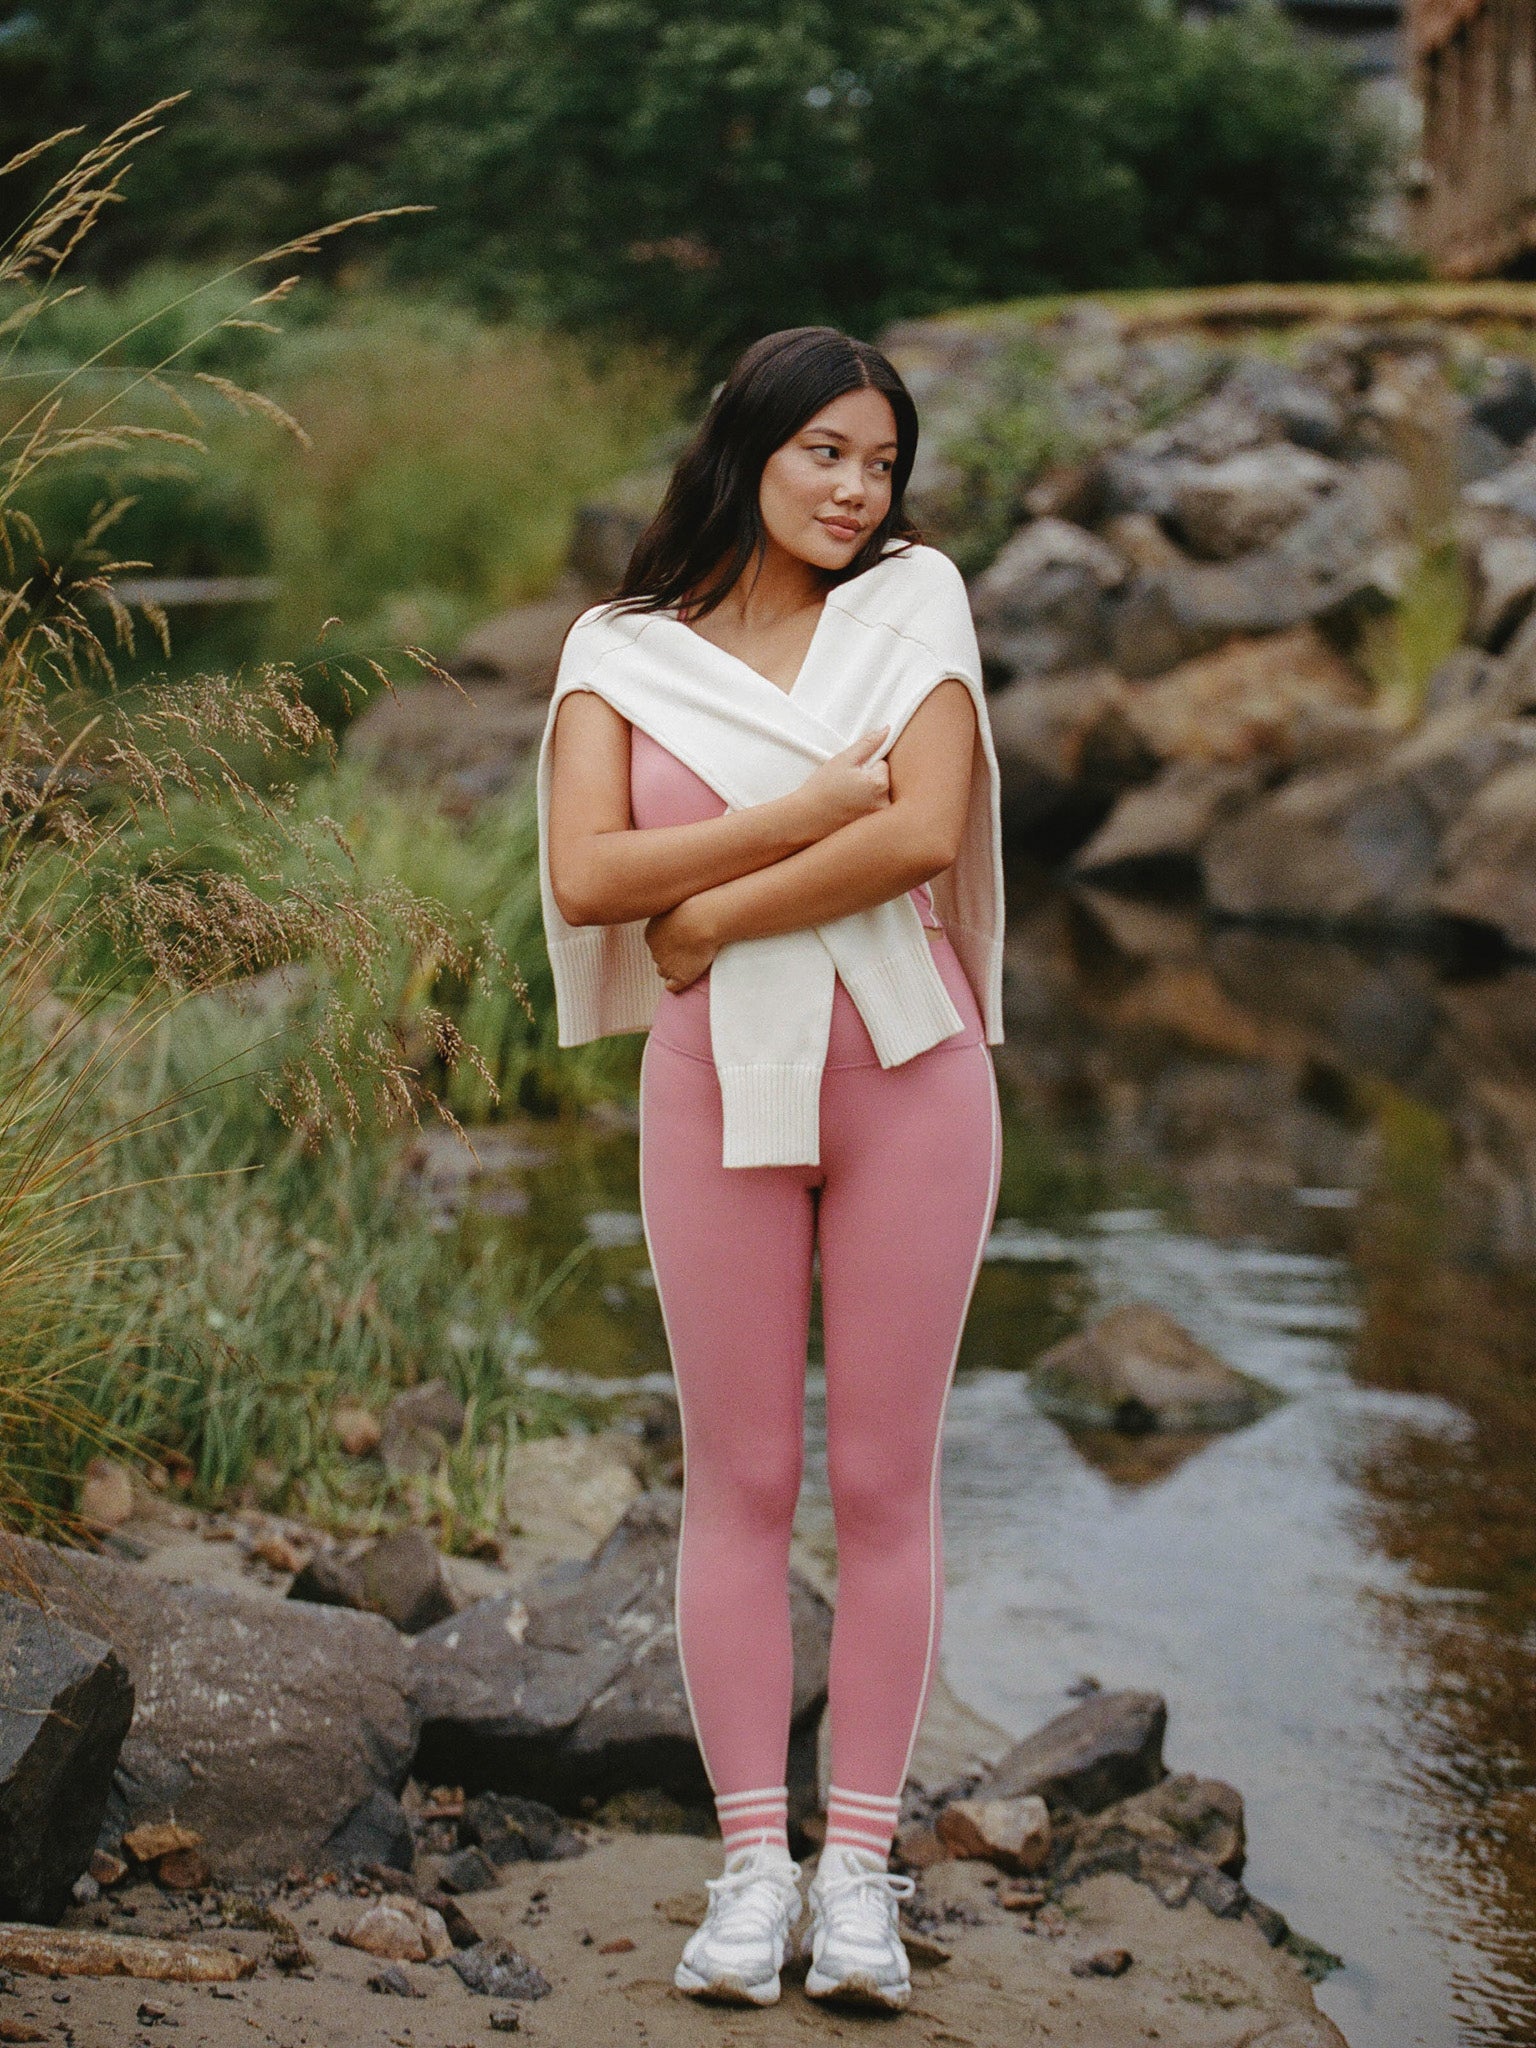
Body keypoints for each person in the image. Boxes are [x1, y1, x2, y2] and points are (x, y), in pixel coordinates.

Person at [538, 325, 1004, 2012]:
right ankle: (752, 1870)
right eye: (826, 452)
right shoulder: (621, 648)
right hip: (709, 1090)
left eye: (880, 463)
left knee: (886, 1484)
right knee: (739, 1481)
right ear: (747, 448)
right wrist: (813, 806)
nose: (857, 489)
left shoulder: (914, 601)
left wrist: (715, 908)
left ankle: (861, 1874)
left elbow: (923, 834)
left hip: (913, 1074)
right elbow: (591, 878)